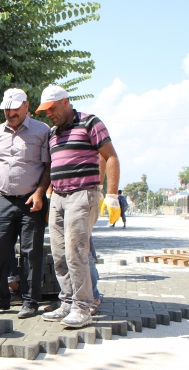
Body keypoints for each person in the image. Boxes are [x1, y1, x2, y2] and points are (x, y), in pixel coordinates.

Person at [36, 84, 121, 328]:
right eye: (46, 111)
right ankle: (67, 302)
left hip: (82, 196)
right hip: (59, 198)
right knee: (59, 254)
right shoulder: (53, 133)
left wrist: (110, 194)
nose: (49, 114)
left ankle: (83, 306)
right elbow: (53, 166)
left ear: (65, 102)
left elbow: (111, 156)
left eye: (52, 108)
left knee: (76, 253)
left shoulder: (90, 123)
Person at [0, 88, 51, 319]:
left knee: (31, 253)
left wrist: (41, 193)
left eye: (15, 108)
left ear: (26, 106)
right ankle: (0, 299)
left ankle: (30, 302)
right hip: (4, 200)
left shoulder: (43, 131)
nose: (10, 112)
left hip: (33, 201)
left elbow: (49, 167)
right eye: (6, 109)